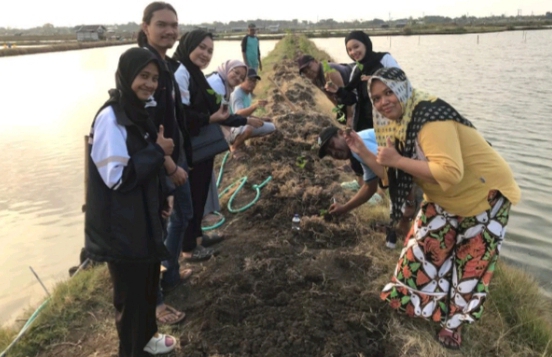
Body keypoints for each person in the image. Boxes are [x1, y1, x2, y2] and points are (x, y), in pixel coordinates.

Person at [355, 67, 521, 349]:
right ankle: (409, 300)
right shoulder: (389, 123)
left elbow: (450, 172)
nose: (384, 101)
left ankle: (453, 325)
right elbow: (390, 177)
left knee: (469, 263)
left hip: (484, 193)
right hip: (443, 195)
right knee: (419, 249)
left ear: (404, 88)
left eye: (389, 92)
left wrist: (396, 160)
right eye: (377, 97)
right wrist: (362, 150)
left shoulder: (430, 116)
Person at [84, 47, 177, 356]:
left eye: (154, 78)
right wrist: (159, 151)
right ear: (126, 76)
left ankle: (147, 339)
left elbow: (145, 170)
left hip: (144, 217)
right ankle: (132, 350)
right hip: (122, 227)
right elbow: (117, 178)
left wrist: (163, 196)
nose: (149, 84)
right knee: (131, 295)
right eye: (143, 76)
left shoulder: (138, 111)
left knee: (149, 283)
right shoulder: (111, 118)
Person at [172, 30, 259, 261]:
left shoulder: (197, 76)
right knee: (190, 198)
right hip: (190, 148)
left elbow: (219, 112)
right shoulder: (181, 73)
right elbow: (181, 116)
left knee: (200, 193)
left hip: (201, 148)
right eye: (201, 47)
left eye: (210, 50)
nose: (205, 53)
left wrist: (245, 119)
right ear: (188, 45)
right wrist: (209, 119)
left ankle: (198, 237)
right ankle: (189, 247)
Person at [138, 1, 192, 326]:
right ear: (146, 27)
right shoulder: (143, 66)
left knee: (182, 214)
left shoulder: (167, 65)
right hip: (157, 160)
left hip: (175, 154)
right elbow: (142, 122)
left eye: (174, 24)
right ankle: (155, 301)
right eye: (162, 24)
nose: (169, 30)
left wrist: (179, 155)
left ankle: (170, 274)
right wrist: (168, 162)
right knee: (153, 229)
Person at [325, 31, 400, 192]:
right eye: (349, 50)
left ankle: (388, 188)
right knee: (359, 155)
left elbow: (401, 81)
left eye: (356, 46)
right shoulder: (356, 71)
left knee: (386, 154)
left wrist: (376, 80)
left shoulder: (384, 59)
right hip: (363, 120)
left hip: (385, 119)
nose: (353, 52)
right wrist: (337, 90)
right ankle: (364, 183)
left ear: (366, 43)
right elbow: (352, 98)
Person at [317, 126, 382, 215]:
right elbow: (370, 187)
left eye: (332, 145)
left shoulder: (359, 144)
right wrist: (344, 208)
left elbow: (391, 165)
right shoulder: (357, 151)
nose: (334, 152)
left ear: (341, 133)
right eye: (330, 153)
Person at [229, 68, 276, 159]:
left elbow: (246, 115)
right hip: (230, 127)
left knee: (272, 127)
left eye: (254, 81)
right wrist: (255, 106)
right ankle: (234, 147)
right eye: (250, 80)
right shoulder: (236, 93)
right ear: (242, 80)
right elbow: (238, 114)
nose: (252, 83)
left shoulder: (248, 94)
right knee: (249, 127)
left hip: (241, 123)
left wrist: (261, 119)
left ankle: (242, 143)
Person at [297, 55, 354, 123]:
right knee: (341, 120)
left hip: (355, 87)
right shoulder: (314, 80)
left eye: (309, 67)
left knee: (353, 121)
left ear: (316, 61)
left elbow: (347, 96)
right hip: (345, 95)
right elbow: (329, 96)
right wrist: (340, 111)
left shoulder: (329, 72)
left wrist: (350, 118)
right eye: (305, 72)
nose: (308, 72)